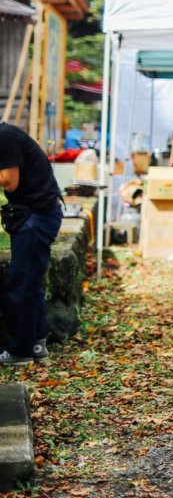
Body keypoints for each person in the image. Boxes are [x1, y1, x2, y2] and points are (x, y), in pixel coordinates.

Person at [0, 122, 63, 364]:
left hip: (36, 216)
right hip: (36, 213)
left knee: (20, 284)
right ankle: (36, 343)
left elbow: (9, 181)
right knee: (31, 282)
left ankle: (21, 351)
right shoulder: (7, 135)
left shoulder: (5, 137)